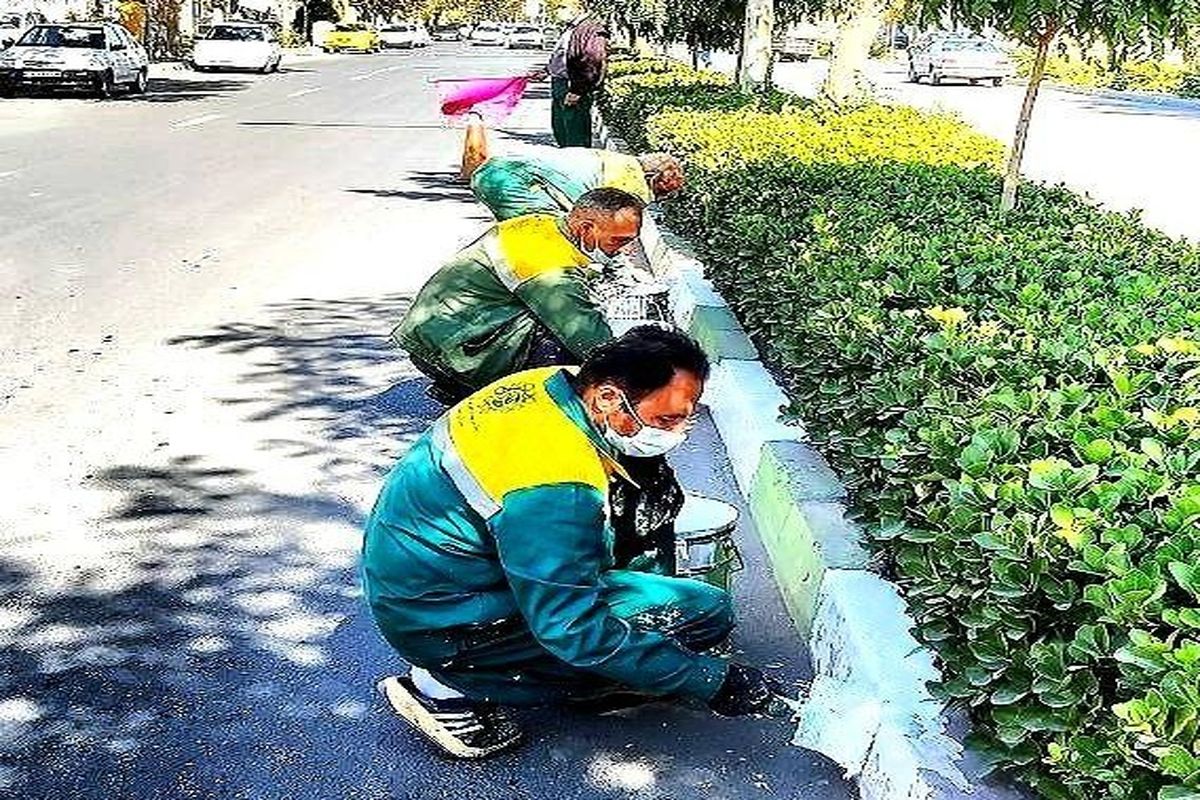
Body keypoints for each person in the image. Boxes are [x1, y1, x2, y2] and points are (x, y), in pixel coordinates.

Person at [364, 327, 784, 759]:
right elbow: (573, 627)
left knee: (651, 598)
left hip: (432, 581)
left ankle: (567, 667)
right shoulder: (556, 489)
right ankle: (446, 687)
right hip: (444, 622)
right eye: (666, 421)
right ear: (607, 398)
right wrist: (709, 680)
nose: (679, 434)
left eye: (685, 418)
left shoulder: (554, 384)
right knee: (702, 614)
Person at [392, 187, 643, 405]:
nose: (623, 250)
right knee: (565, 342)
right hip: (450, 348)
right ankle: (531, 402)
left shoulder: (543, 224)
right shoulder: (547, 264)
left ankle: (463, 386)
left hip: (435, 335)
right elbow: (585, 334)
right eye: (618, 241)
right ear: (586, 228)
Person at [459, 115, 684, 221]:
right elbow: (608, 228)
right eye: (661, 193)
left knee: (519, 234)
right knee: (543, 234)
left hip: (496, 171)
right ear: (651, 178)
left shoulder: (620, 162)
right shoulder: (632, 186)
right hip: (512, 181)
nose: (657, 199)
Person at [545, 13, 607, 147]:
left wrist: (577, 90)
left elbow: (592, 59)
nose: (560, 9)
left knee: (575, 132)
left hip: (572, 85)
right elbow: (563, 55)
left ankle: (578, 163)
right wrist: (547, 70)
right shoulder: (571, 27)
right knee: (561, 128)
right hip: (560, 83)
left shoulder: (590, 28)